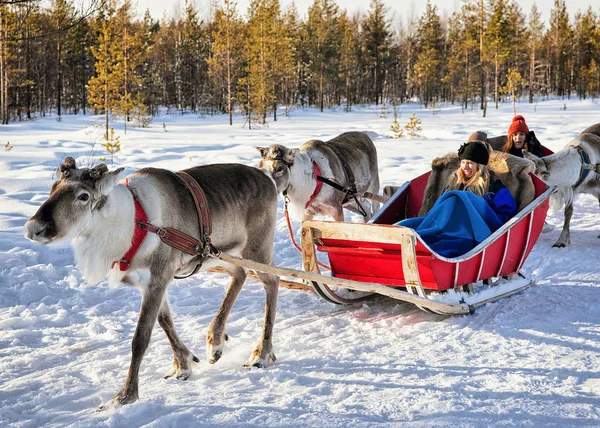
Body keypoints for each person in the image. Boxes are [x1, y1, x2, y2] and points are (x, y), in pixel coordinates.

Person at [396, 141, 517, 258]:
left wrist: (476, 210)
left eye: (470, 162)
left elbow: (504, 216)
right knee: (409, 226)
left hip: (470, 232)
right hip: (444, 226)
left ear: (479, 165)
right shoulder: (454, 182)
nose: (465, 167)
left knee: (460, 201)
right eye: (463, 162)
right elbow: (442, 208)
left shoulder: (494, 187)